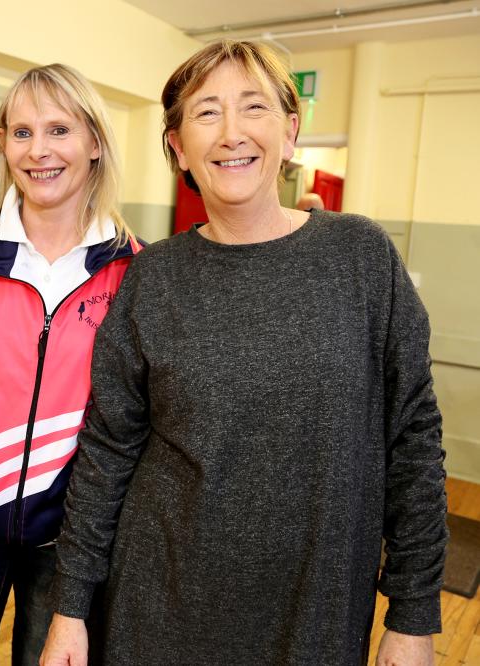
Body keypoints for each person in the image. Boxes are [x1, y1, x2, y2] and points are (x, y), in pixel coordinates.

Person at [42, 40, 447, 666]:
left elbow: (413, 440)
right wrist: (70, 608)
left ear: (289, 133)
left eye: (252, 107)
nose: (232, 133)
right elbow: (107, 451)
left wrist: (413, 612)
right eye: (206, 113)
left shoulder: (361, 259)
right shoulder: (154, 279)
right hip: (158, 610)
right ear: (178, 147)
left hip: (314, 614)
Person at [0, 63, 140, 666]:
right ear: (5, 145)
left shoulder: (135, 270)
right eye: (22, 132)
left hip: (73, 539)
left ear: (94, 143)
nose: (39, 151)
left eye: (60, 130)